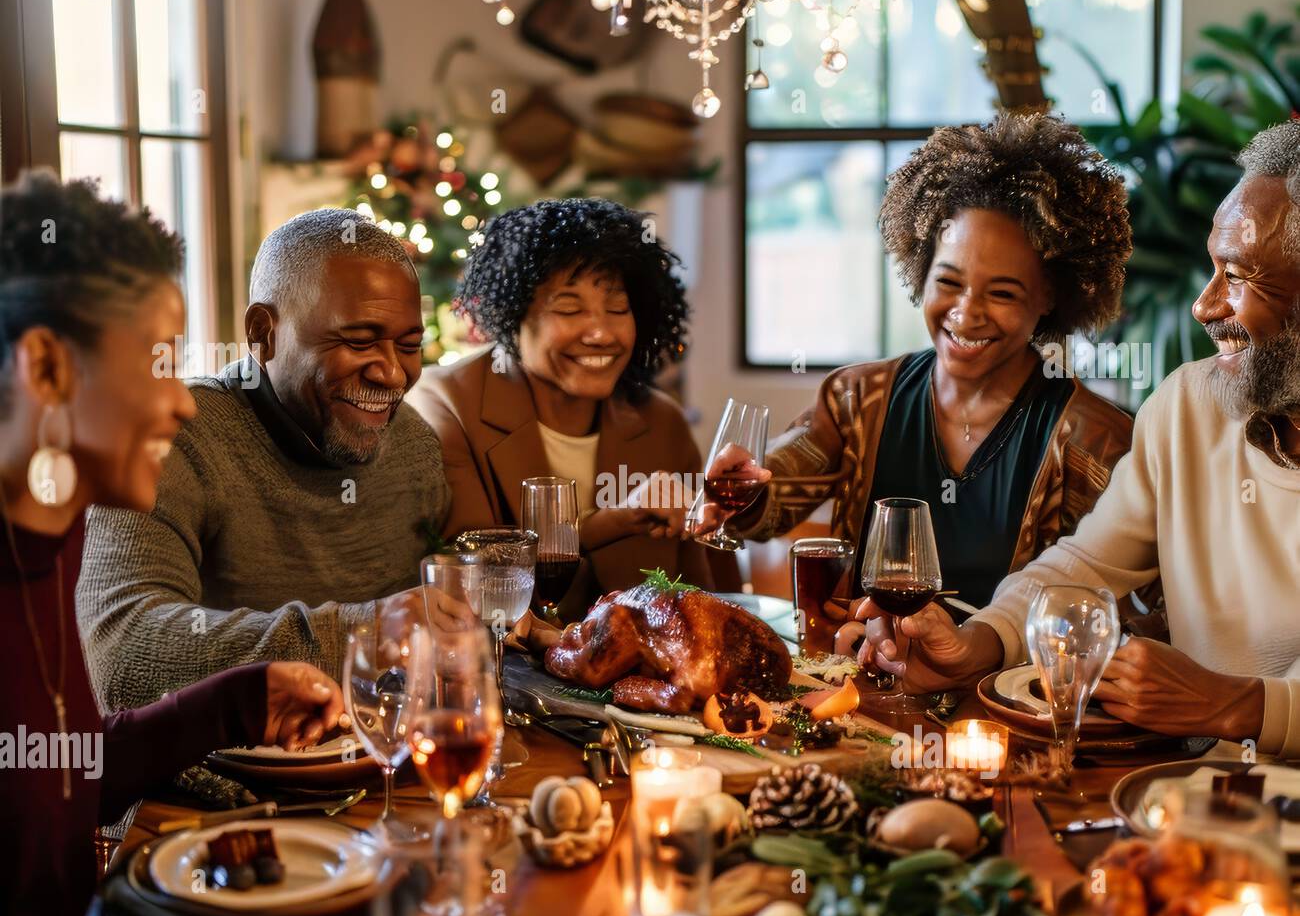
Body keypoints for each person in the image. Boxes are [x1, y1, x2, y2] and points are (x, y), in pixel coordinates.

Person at [0, 172, 347, 916]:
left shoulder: (55, 533)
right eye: (160, 362)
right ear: (45, 366)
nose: (183, 403)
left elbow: (56, 779)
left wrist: (234, 702)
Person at [847, 120, 1300, 758]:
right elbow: (1086, 566)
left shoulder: (1085, 425)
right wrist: (972, 645)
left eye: (1240, 278)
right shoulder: (1188, 405)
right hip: (1185, 797)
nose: (1204, 306)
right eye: (1212, 270)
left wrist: (1242, 704)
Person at [706, 114, 1136, 611]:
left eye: (1002, 292)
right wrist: (742, 487)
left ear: (1050, 299)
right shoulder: (856, 400)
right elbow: (773, 504)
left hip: (998, 688)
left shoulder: (1093, 440)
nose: (965, 313)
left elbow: (1128, 601)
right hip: (860, 680)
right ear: (921, 271)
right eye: (949, 282)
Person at [77, 208, 450, 711]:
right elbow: (122, 653)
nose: (392, 374)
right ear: (263, 333)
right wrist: (365, 634)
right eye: (358, 341)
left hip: (386, 765)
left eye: (408, 346)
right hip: (223, 780)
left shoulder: (414, 444)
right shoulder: (172, 441)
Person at [408, 198, 737, 617]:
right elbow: (476, 576)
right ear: (512, 316)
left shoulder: (661, 421)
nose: (600, 332)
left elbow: (713, 593)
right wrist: (614, 520)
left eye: (618, 308)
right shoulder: (446, 403)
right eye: (568, 308)